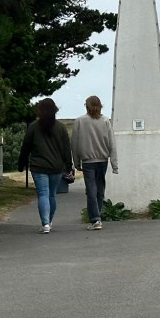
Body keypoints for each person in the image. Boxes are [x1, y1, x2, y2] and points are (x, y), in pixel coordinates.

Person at [18, 98, 74, 234]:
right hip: (56, 167)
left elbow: (26, 147)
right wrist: (68, 165)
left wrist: (21, 163)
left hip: (38, 166)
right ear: (55, 110)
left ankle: (45, 223)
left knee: (43, 194)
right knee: (51, 195)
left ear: (40, 111)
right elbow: (66, 149)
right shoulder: (61, 128)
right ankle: (49, 220)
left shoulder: (33, 127)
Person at [71, 95, 119, 230]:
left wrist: (76, 162)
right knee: (99, 188)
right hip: (103, 160)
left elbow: (74, 143)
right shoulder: (105, 121)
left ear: (86, 106)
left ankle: (95, 218)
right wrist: (114, 164)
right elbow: (112, 143)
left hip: (87, 161)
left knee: (91, 189)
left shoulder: (80, 121)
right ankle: (97, 215)